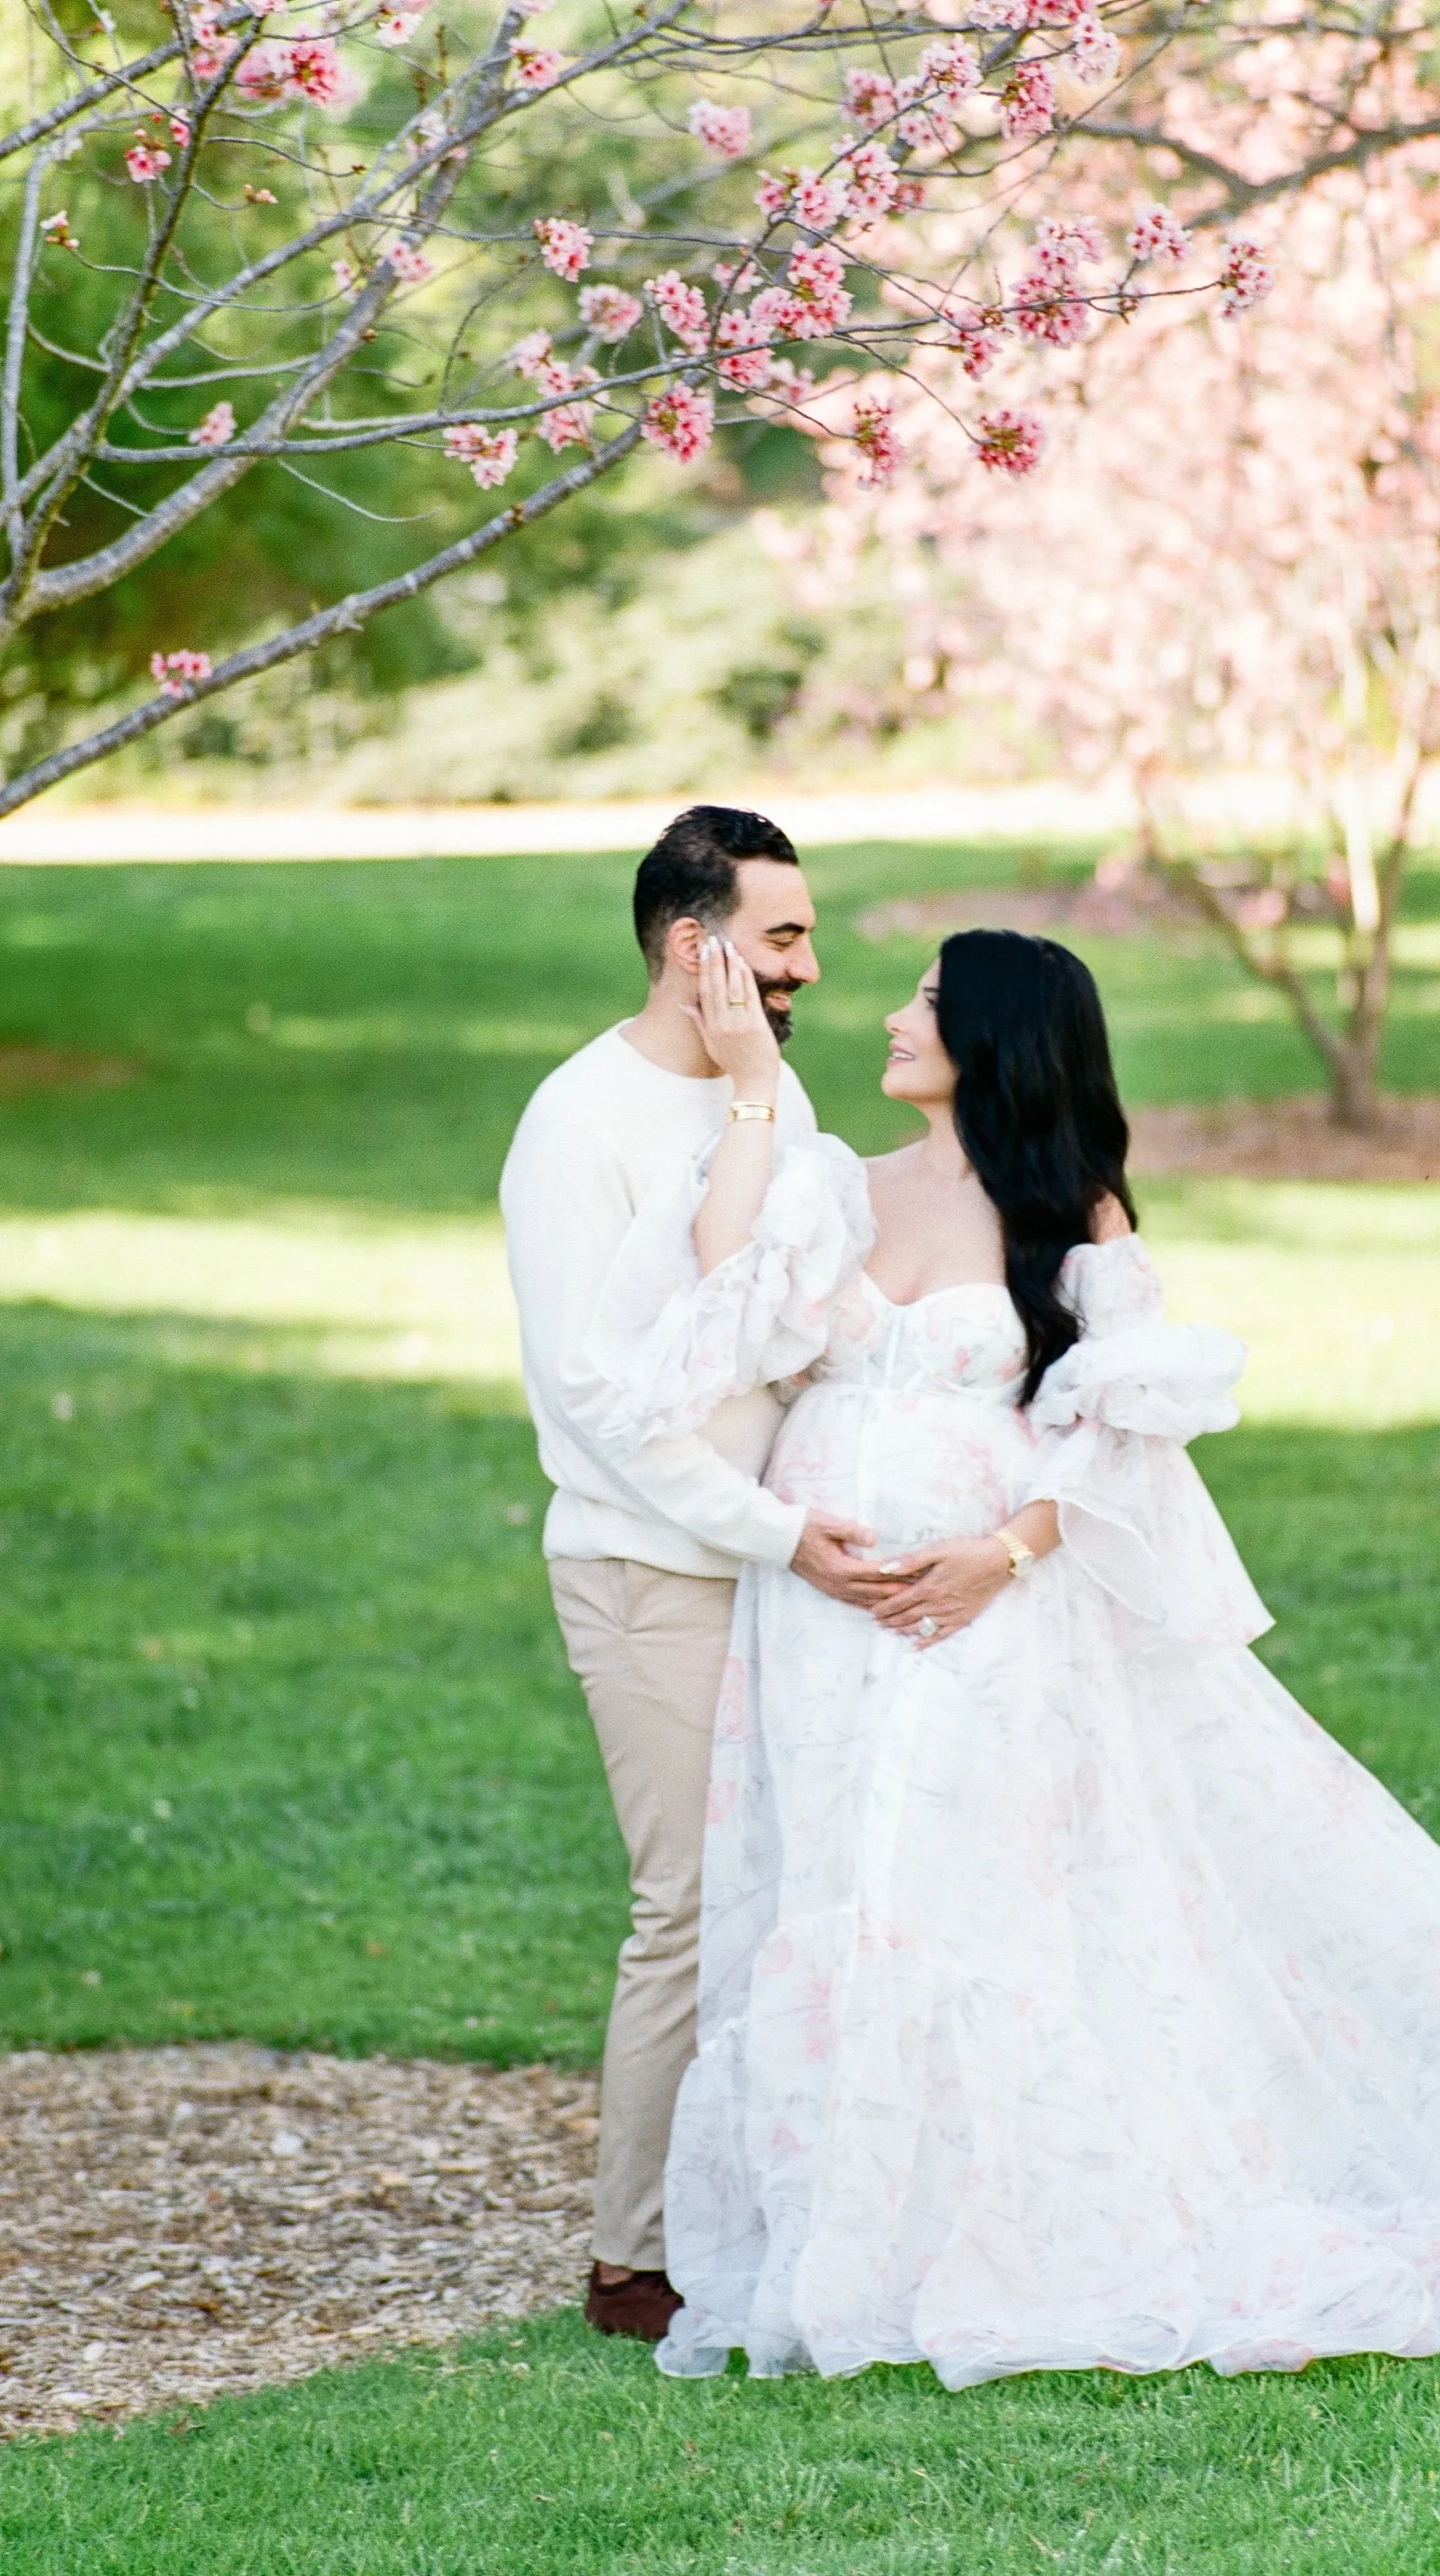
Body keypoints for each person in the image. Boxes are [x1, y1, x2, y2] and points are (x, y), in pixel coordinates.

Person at [586, 923, 1440, 2388]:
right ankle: (850, 2232)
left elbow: (1124, 1428)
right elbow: (721, 1287)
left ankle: (996, 2225)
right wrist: (748, 1087)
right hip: (817, 1620)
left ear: (997, 1038)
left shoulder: (1074, 1215)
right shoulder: (832, 1188)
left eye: (927, 1002)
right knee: (836, 1888)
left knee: (949, 1895)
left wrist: (1005, 1551)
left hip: (988, 1612)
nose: (890, 1017)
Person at [498, 805, 881, 2345]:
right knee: (686, 1905)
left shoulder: (760, 1093)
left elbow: (781, 1317)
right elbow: (595, 1410)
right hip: (652, 1569)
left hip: (777, 1560)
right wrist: (782, 1532)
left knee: (785, 1892)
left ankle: (766, 2199)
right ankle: (630, 2257)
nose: (808, 964)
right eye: (782, 936)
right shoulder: (575, 1127)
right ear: (691, 944)